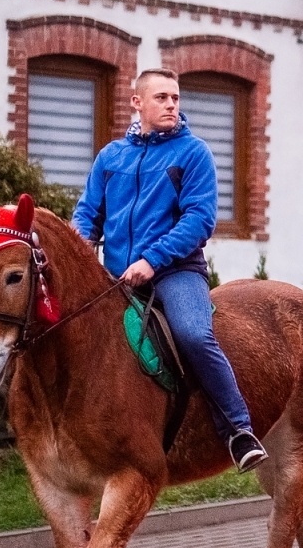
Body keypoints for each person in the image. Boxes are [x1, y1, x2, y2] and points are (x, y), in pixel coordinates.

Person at [71, 68, 267, 471]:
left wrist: (151, 260)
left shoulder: (192, 153)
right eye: (161, 97)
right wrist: (78, 245)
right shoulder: (111, 157)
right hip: (116, 276)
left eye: (175, 98)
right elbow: (88, 212)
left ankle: (238, 430)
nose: (172, 105)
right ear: (136, 103)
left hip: (176, 272)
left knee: (193, 334)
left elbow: (199, 220)